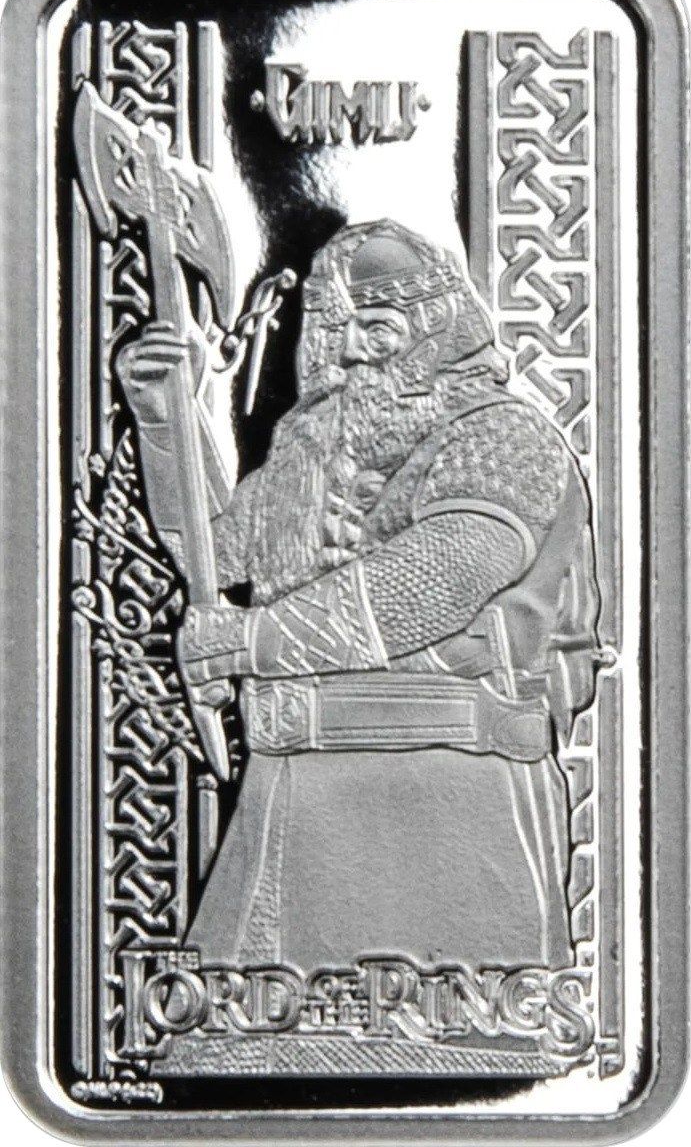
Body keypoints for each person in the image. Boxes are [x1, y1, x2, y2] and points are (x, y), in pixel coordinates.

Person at [117, 219, 601, 975]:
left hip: (448, 808)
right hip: (288, 797)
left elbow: (439, 579)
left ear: (437, 326)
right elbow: (212, 556)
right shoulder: (314, 445)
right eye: (333, 329)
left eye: (374, 327)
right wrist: (162, 416)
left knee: (458, 1031)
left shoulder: (508, 438)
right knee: (237, 1033)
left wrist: (249, 642)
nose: (345, 351)